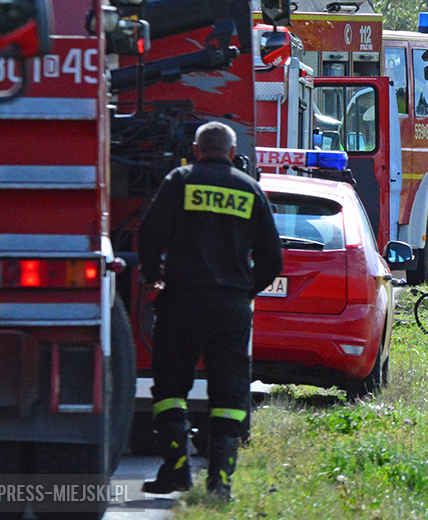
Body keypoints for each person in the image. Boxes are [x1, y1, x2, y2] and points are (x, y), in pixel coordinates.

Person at [138, 121, 283, 499]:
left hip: (180, 304)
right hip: (230, 309)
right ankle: (220, 483)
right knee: (229, 395)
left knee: (170, 389)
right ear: (233, 154)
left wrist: (152, 274)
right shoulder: (250, 189)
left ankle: (176, 472)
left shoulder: (179, 181)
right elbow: (273, 258)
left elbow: (149, 234)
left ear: (196, 149)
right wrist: (245, 290)